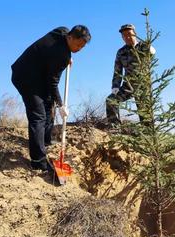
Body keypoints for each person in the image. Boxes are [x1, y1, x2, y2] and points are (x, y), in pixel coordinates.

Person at [11, 26, 91, 175]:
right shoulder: (61, 55)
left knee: (48, 102)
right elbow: (53, 83)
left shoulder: (62, 31)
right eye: (78, 44)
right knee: (38, 116)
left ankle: (46, 140)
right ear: (70, 37)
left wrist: (69, 56)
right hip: (25, 77)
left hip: (38, 75)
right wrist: (61, 105)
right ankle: (38, 162)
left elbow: (50, 83)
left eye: (82, 46)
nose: (79, 49)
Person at [106, 24, 156, 126]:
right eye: (124, 36)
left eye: (129, 34)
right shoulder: (121, 52)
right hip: (128, 85)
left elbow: (152, 53)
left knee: (145, 115)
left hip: (143, 85)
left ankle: (147, 136)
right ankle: (115, 127)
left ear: (135, 34)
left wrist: (150, 48)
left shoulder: (143, 46)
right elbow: (117, 71)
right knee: (111, 101)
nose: (127, 37)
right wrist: (115, 86)